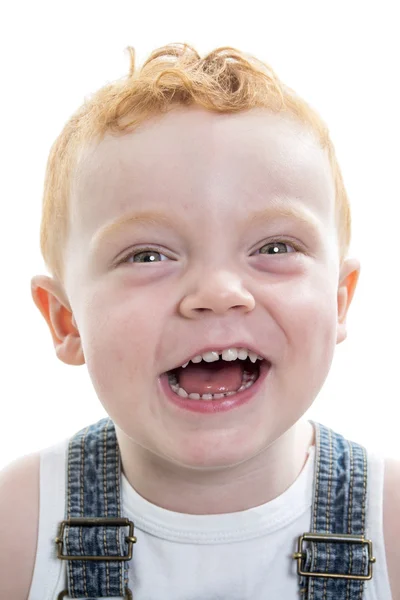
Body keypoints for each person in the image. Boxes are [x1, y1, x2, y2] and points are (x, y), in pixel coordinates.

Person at [0, 42, 398, 600]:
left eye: (275, 246)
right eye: (147, 256)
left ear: (338, 301)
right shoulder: (19, 526)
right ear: (66, 320)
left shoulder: (391, 526)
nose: (217, 293)